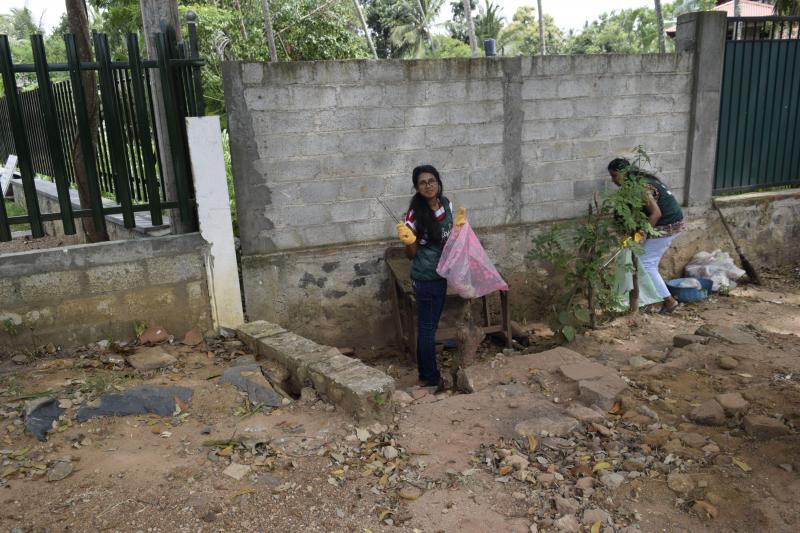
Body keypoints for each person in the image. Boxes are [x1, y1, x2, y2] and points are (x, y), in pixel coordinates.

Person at [395, 165, 466, 389]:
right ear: (417, 187)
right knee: (427, 329)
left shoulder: (446, 205)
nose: (428, 185)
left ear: (438, 183)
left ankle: (427, 374)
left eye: (432, 181)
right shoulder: (413, 216)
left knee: (430, 325)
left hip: (442, 273)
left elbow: (450, 240)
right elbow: (411, 256)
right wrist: (409, 241)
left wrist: (459, 229)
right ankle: (430, 377)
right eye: (423, 182)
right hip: (425, 278)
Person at [607, 158, 685, 313]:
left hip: (666, 225)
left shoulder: (639, 186)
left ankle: (670, 302)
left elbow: (655, 214)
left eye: (615, 176)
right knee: (647, 264)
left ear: (624, 173)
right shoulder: (639, 181)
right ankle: (649, 300)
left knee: (645, 264)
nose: (613, 180)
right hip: (672, 222)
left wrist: (640, 235)